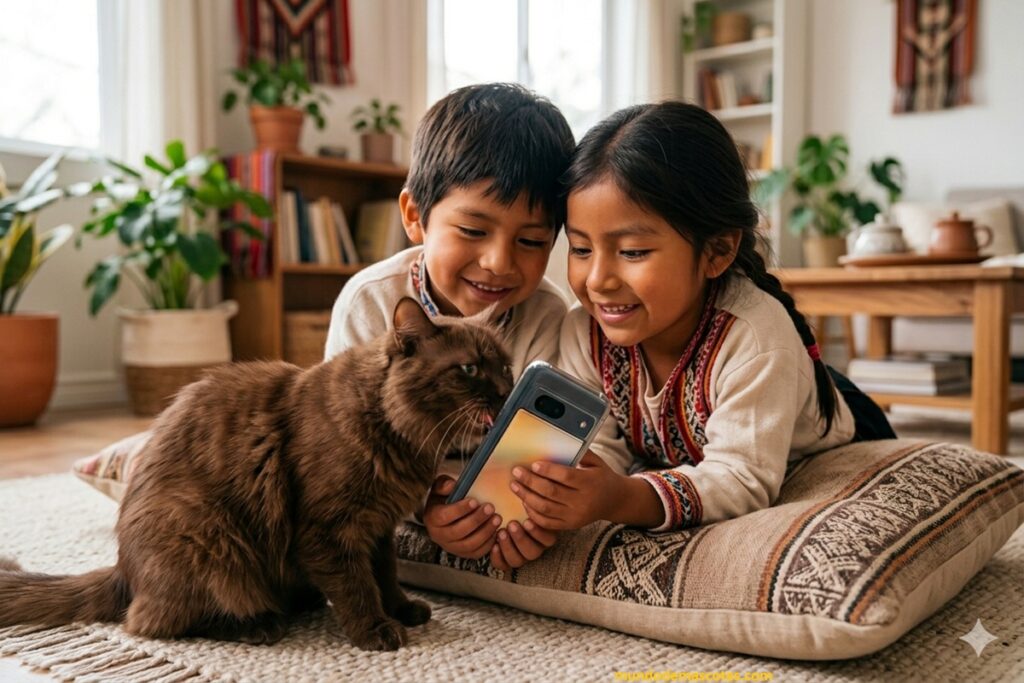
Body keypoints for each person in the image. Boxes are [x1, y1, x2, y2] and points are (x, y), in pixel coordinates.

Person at [507, 101, 895, 539]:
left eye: (632, 251)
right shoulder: (584, 331)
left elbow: (741, 479)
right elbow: (598, 446)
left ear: (716, 252)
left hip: (826, 421)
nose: (598, 280)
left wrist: (622, 497)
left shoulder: (754, 338)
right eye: (580, 249)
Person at [324, 83, 575, 567]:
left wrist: (521, 510)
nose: (499, 262)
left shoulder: (546, 314)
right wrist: (427, 509)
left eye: (531, 241)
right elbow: (343, 452)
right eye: (474, 231)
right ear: (415, 217)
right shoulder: (369, 303)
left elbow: (536, 448)